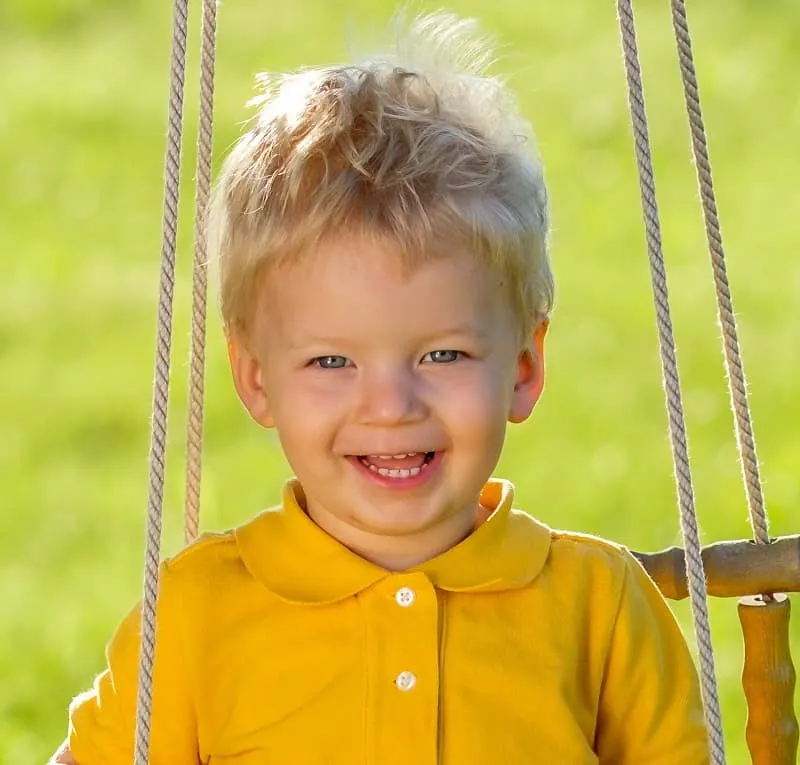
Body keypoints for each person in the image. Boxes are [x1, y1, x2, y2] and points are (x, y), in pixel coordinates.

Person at [52, 11, 709, 764]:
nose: (391, 406)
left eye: (443, 355)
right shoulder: (196, 615)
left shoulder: (601, 608)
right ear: (256, 378)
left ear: (524, 368)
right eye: (333, 363)